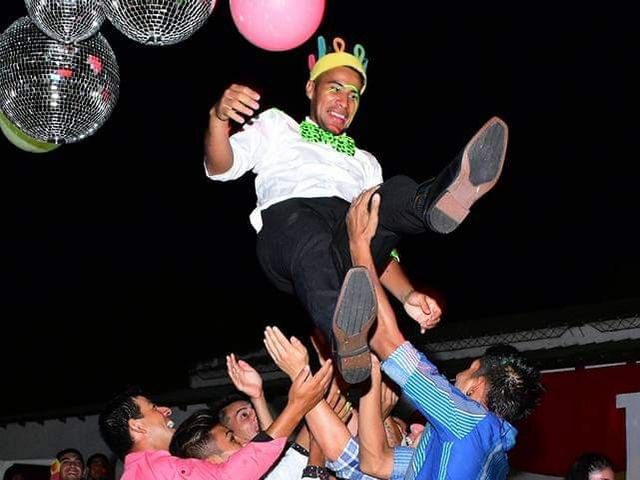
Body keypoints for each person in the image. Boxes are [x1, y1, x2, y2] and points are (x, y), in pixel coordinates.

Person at [204, 34, 507, 383]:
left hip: (348, 234)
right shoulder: (277, 126)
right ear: (310, 89)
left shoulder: (364, 162)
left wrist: (407, 295)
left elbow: (379, 248)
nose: (344, 102)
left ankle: (436, 202)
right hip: (288, 227)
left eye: (353, 96)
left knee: (385, 195)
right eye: (335, 89)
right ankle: (345, 335)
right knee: (310, 238)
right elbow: (221, 166)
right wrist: (217, 117)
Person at [343, 187, 543, 479]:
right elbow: (376, 463)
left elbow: (387, 339)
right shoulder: (486, 450)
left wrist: (359, 245)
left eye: (465, 372)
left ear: (475, 387)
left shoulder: (465, 420)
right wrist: (371, 380)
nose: (456, 378)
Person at [97, 367, 331, 480]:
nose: (166, 410)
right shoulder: (153, 472)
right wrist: (296, 406)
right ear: (137, 426)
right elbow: (231, 475)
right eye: (153, 408)